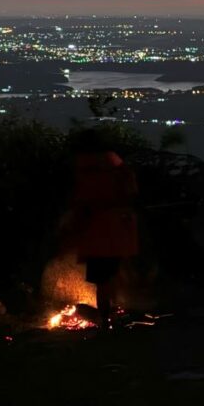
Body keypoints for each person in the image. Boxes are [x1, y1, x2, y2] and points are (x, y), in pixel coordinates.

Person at [69, 140, 139, 330]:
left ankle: (105, 318)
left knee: (102, 281)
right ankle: (111, 316)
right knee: (113, 276)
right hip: (116, 234)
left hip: (95, 236)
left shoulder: (84, 171)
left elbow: (80, 203)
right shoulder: (118, 170)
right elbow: (131, 194)